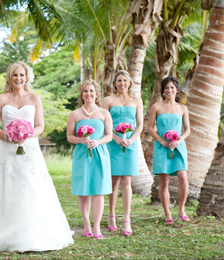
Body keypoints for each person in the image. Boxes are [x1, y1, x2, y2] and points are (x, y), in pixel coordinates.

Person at [0, 62, 73, 251]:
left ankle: (35, 234)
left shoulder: (34, 98)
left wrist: (26, 135)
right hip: (7, 150)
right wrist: (9, 136)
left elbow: (40, 126)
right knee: (6, 188)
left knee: (32, 187)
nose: (18, 79)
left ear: (27, 77)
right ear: (9, 77)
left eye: (21, 75)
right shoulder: (1, 98)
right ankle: (3, 232)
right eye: (15, 75)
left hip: (29, 150)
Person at [67, 79, 113, 239]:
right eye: (85, 91)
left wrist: (98, 141)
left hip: (100, 154)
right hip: (82, 155)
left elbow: (109, 135)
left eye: (91, 91)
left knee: (99, 191)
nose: (88, 94)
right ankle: (86, 224)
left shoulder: (104, 113)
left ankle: (97, 227)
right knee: (84, 191)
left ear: (96, 94)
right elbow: (69, 136)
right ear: (81, 94)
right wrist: (81, 140)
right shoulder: (75, 114)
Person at [101, 70, 143, 236]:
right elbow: (103, 123)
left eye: (125, 80)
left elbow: (139, 124)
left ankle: (127, 220)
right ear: (115, 83)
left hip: (130, 144)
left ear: (129, 82)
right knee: (114, 181)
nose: (122, 83)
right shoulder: (108, 100)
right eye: (119, 80)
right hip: (112, 143)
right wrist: (115, 138)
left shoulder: (136, 100)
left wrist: (131, 139)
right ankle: (111, 215)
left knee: (127, 181)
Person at [147, 76, 190, 224]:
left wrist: (179, 140)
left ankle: (181, 209)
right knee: (163, 182)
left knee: (183, 177)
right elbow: (150, 128)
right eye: (166, 88)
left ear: (176, 90)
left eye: (172, 87)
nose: (169, 90)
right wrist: (162, 141)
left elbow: (187, 130)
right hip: (161, 147)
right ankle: (167, 214)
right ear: (163, 91)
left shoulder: (183, 108)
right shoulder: (156, 107)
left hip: (178, 146)